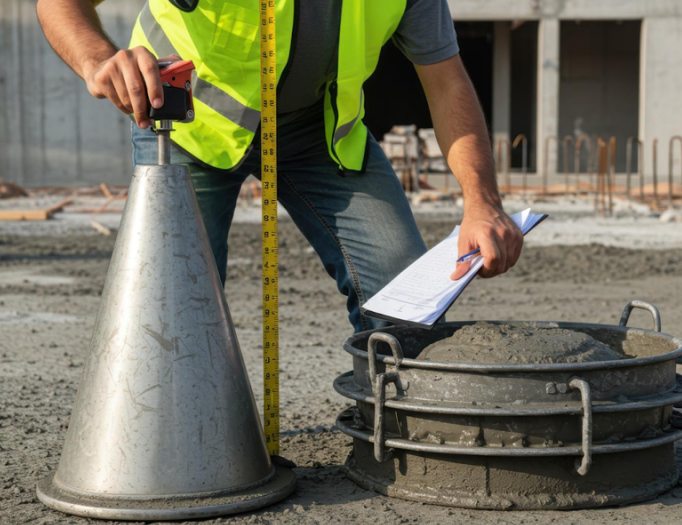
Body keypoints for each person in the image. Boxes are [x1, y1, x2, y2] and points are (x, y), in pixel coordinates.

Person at [37, 0, 523, 331]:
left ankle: (391, 433)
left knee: (408, 302)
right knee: (172, 313)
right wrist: (98, 60)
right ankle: (183, 454)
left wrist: (482, 203)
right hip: (187, 123)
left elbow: (446, 81)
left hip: (318, 130)